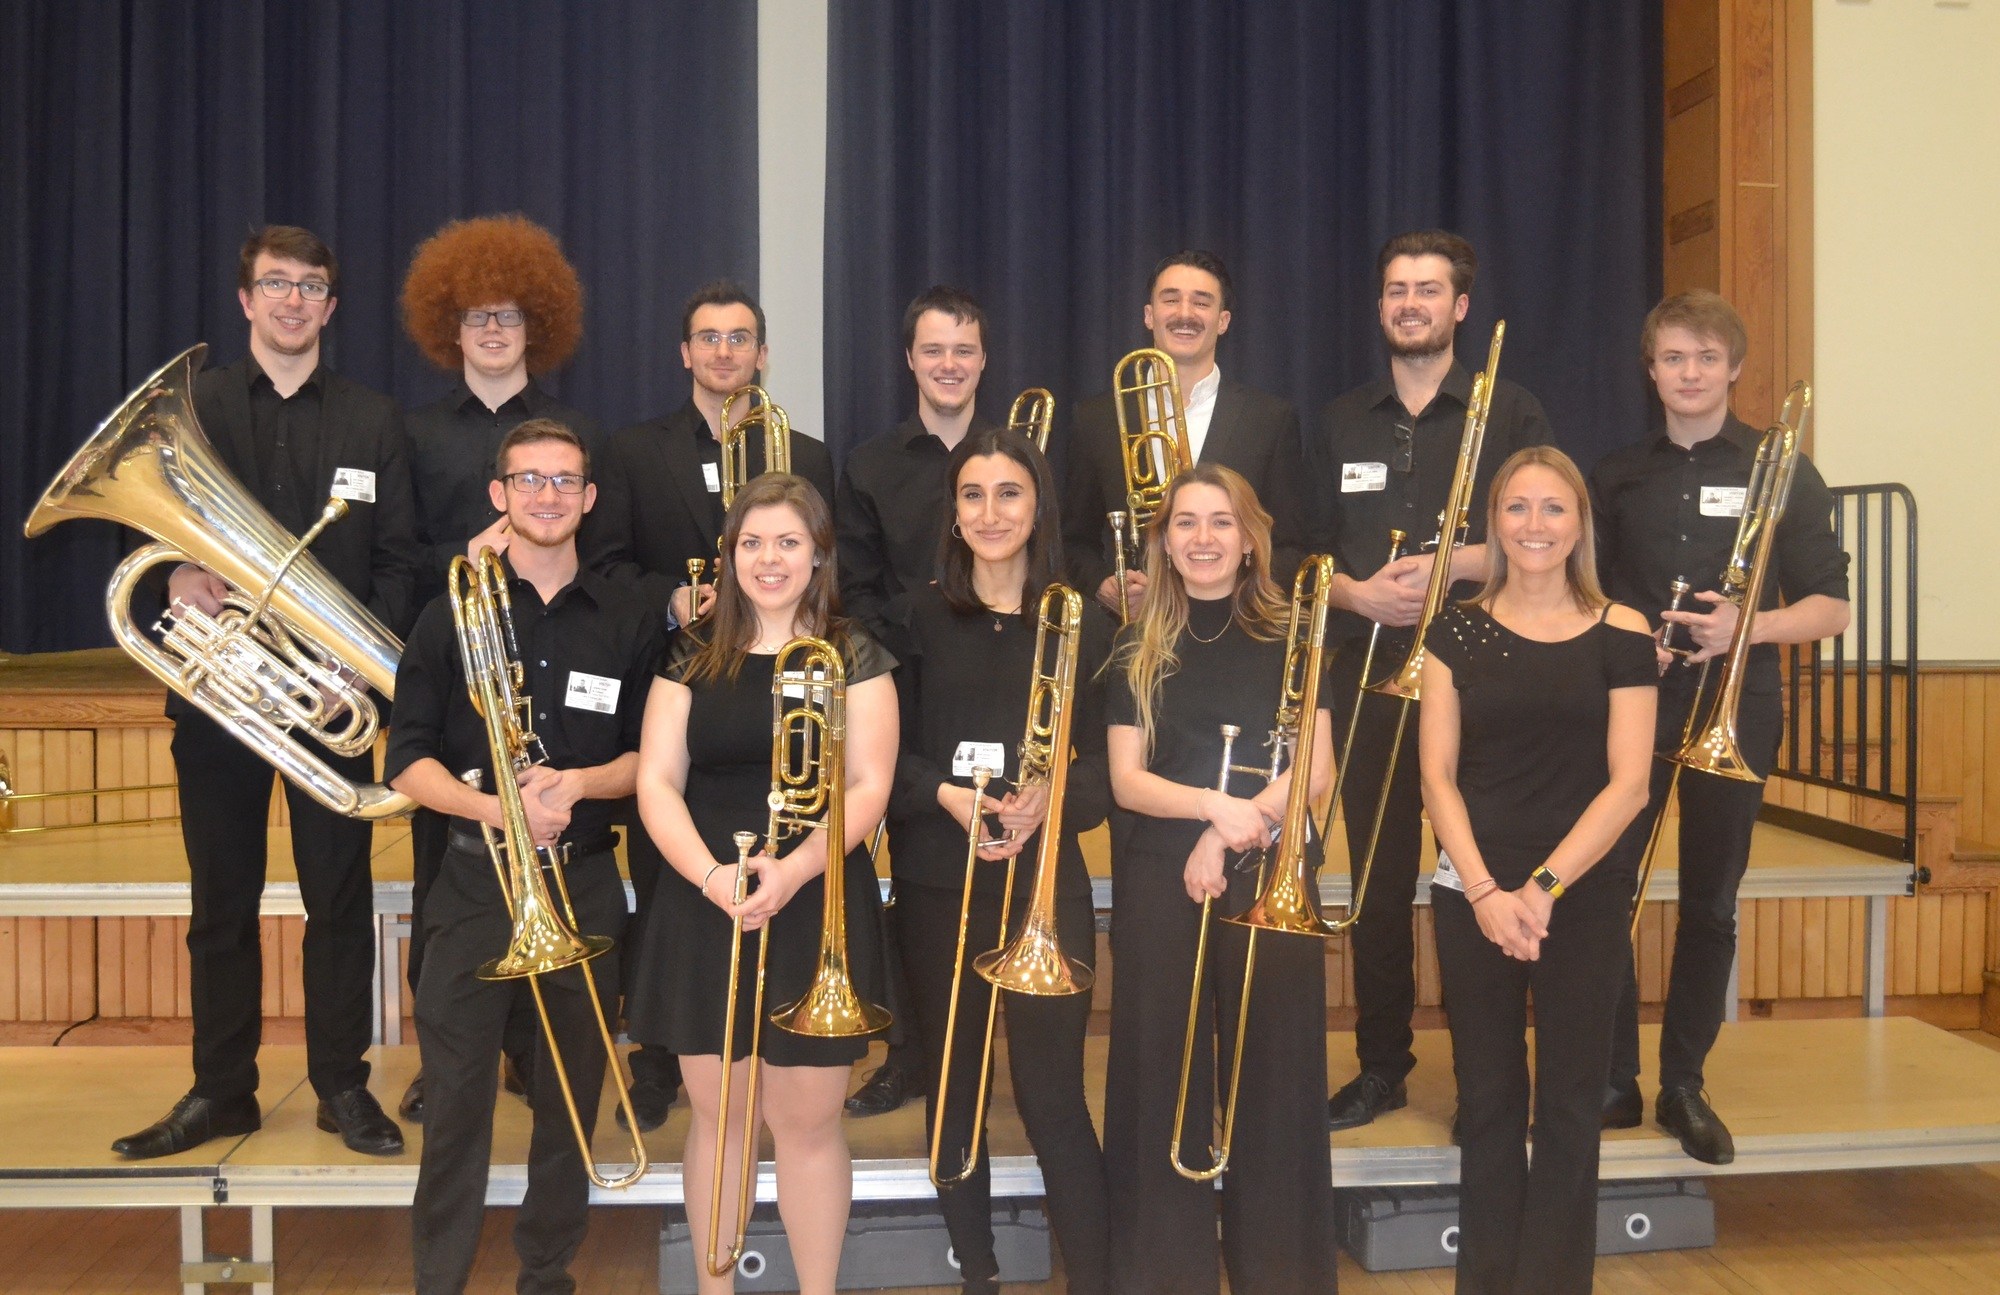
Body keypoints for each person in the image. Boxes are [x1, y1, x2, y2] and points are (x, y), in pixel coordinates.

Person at [113, 225, 416, 1161]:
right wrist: (174, 575)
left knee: (339, 898)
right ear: (246, 299)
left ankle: (341, 1084)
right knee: (221, 902)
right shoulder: (195, 406)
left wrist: (355, 660)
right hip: (220, 696)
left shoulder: (374, 419)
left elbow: (401, 561)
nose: (293, 300)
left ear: (332, 305)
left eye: (311, 285)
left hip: (326, 699)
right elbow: (138, 527)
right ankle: (221, 1089)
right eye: (276, 284)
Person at [384, 419, 660, 1295]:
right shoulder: (450, 613)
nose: (548, 494)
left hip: (583, 879)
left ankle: (547, 1268)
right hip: (474, 883)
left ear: (589, 497)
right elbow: (407, 758)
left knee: (570, 1096)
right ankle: (440, 1278)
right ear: (498, 495)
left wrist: (575, 785)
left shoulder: (626, 617)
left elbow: (653, 759)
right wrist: (498, 807)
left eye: (564, 480)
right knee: (456, 1101)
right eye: (529, 479)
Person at [1592, 291, 1850, 1164]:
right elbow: (1586, 592)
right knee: (1608, 887)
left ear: (1735, 368)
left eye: (1707, 357)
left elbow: (1833, 605)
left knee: (1710, 901)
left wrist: (1750, 626)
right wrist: (1629, 640)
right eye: (1673, 357)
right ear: (1651, 369)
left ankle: (1683, 1083)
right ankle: (1613, 1076)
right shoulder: (1617, 473)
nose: (1690, 373)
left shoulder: (1783, 470)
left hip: (1739, 706)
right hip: (1636, 701)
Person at [629, 474, 896, 1295]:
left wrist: (794, 869)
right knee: (722, 1119)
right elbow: (655, 781)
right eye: (751, 542)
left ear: (819, 553)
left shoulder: (855, 651)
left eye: (787, 541)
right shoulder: (689, 650)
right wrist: (713, 875)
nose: (768, 559)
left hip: (814, 898)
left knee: (807, 1124)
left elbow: (870, 786)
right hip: (708, 897)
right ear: (728, 554)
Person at [1312, 230, 1554, 1131]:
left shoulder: (1512, 411)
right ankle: (1384, 1065)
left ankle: (1491, 1075)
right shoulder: (1339, 420)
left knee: (1479, 875)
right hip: (1369, 673)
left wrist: (1455, 562)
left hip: (1486, 676)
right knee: (1378, 885)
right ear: (1380, 306)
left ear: (1460, 306)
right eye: (1396, 289)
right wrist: (1357, 592)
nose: (1410, 303)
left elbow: (1547, 532)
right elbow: (1297, 550)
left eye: (1427, 289)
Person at [581, 280, 835, 1130]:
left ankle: (782, 1035)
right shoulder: (633, 450)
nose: (725, 351)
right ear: (684, 353)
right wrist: (673, 602)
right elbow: (606, 567)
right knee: (668, 874)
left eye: (740, 337)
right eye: (708, 337)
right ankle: (662, 1055)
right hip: (679, 679)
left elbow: (834, 573)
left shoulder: (807, 453)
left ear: (763, 353)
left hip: (781, 683)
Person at [1419, 446, 1658, 1294]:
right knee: (1487, 1101)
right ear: (1494, 523)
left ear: (1580, 523)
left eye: (1554, 507)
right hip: (1474, 890)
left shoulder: (1624, 630)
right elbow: (1436, 777)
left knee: (1569, 1103)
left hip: (1580, 894)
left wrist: (1543, 887)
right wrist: (1486, 891)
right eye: (1517, 507)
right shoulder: (1453, 632)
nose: (1535, 524)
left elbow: (1630, 783)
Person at [1103, 463, 1335, 1295]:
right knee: (1161, 1070)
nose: (1202, 538)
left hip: (1266, 866)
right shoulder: (1133, 644)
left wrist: (1230, 831)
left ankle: (1280, 1273)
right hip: (1161, 873)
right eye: (1186, 522)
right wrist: (1210, 809)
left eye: (1221, 521)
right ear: (1163, 542)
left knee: (1276, 1070)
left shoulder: (1295, 635)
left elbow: (1315, 767)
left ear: (1249, 540)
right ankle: (1164, 1274)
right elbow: (1126, 780)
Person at [890, 428, 1111, 1295]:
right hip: (941, 883)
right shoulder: (912, 619)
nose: (990, 512)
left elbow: (1112, 770)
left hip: (1044, 881)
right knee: (956, 1094)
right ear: (952, 511)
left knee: (1055, 1099)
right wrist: (949, 795)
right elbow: (884, 760)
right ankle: (976, 1276)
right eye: (973, 494)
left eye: (1009, 492)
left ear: (1039, 506)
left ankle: (1095, 1278)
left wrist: (1052, 799)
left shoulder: (1083, 619)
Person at [397, 213, 603, 1123]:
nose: (492, 329)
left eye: (510, 315)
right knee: (441, 875)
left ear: (537, 324)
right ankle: (445, 1054)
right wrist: (468, 556)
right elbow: (398, 557)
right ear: (451, 325)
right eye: (476, 314)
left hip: (553, 678)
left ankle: (532, 1049)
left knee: (554, 866)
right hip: (457, 679)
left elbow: (603, 555)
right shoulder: (411, 431)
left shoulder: (572, 434)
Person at [836, 284, 1000, 1118]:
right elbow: (856, 592)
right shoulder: (868, 464)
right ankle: (912, 1052)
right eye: (934, 349)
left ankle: (984, 1042)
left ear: (983, 359)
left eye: (963, 349)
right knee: (910, 871)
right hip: (905, 688)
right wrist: (912, 643)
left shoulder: (1013, 459)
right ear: (910, 359)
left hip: (998, 683)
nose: (949, 364)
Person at [1061, 250, 1312, 621]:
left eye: (1201, 302)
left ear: (1223, 321)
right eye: (1171, 299)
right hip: (1131, 632)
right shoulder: (1095, 418)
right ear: (1149, 315)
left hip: (1234, 628)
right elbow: (1072, 541)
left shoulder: (1271, 420)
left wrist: (1230, 592)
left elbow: (1290, 546)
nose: (1184, 314)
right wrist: (1103, 585)